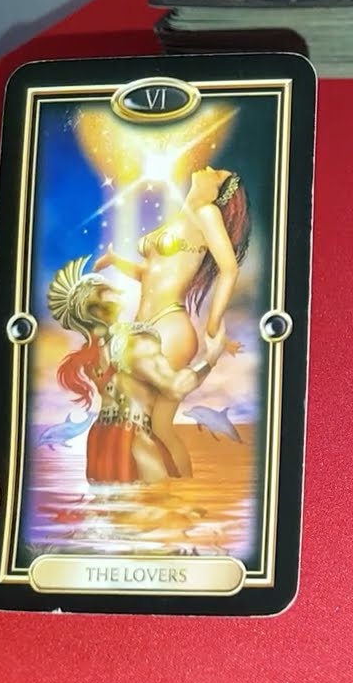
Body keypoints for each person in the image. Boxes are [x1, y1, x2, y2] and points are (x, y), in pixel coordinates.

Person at [95, 166, 250, 479]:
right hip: (143, 327)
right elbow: (148, 274)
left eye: (217, 174)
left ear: (219, 193)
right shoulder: (181, 217)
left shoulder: (205, 213)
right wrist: (115, 260)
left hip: (170, 324)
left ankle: (182, 491)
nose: (209, 168)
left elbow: (229, 269)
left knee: (159, 425)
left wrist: (213, 325)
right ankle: (165, 491)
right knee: (148, 422)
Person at [47, 256, 228, 484]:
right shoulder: (133, 341)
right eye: (107, 289)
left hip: (100, 439)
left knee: (111, 502)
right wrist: (210, 358)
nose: (117, 290)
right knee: (159, 500)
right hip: (133, 436)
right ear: (96, 308)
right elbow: (175, 387)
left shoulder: (91, 355)